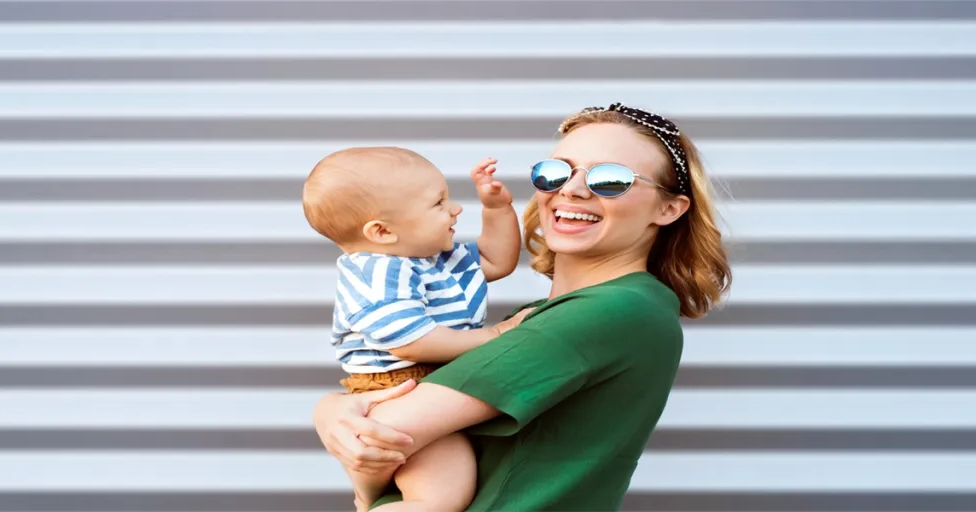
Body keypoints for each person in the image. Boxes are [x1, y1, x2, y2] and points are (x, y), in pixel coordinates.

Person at [312, 103, 733, 511]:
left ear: (668, 208)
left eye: (610, 179)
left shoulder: (612, 311)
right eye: (556, 173)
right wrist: (336, 413)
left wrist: (332, 415)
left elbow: (379, 436)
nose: (572, 189)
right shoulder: (566, 312)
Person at [302, 147, 523, 511]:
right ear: (383, 231)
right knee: (439, 499)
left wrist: (496, 209)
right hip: (402, 387)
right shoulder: (378, 273)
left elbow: (497, 260)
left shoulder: (434, 259)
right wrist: (495, 336)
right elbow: (412, 342)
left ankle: (368, 495)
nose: (455, 209)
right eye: (438, 203)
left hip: (422, 383)